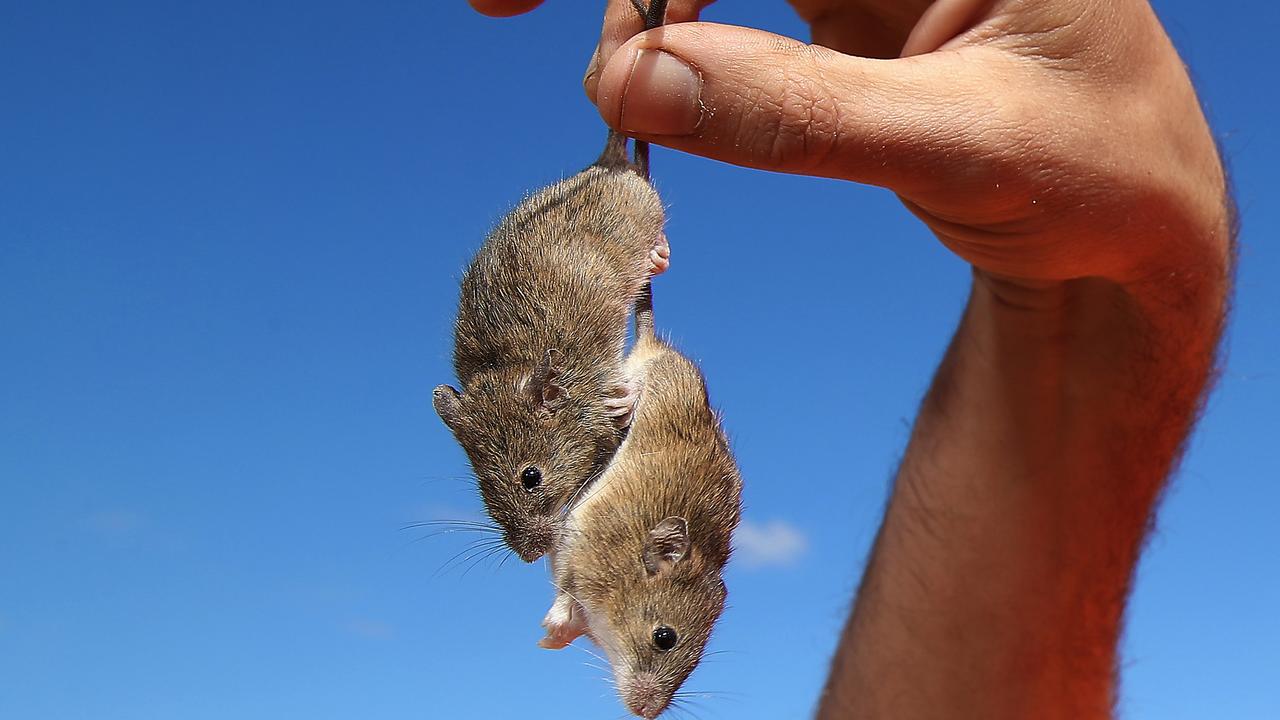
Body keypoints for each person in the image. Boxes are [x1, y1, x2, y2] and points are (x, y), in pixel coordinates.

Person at [468, 1, 1234, 717]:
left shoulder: (629, 557)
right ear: (667, 560)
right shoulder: (652, 539)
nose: (650, 699)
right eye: (663, 653)